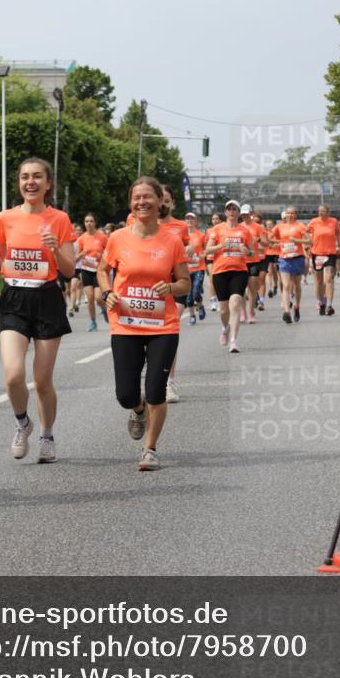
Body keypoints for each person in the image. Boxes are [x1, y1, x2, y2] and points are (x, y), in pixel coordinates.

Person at [97, 177, 190, 472]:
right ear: (130, 203)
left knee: (155, 391)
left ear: (160, 201)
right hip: (126, 325)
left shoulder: (172, 240)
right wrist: (108, 293)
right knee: (126, 394)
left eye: (148, 197)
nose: (142, 202)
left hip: (163, 325)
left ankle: (150, 449)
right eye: (137, 197)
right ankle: (138, 411)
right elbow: (102, 271)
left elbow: (185, 283)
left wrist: (170, 289)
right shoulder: (118, 238)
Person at [0, 157, 76, 465]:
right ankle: (22, 423)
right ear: (19, 182)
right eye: (25, 177)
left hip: (47, 298)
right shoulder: (5, 218)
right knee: (13, 375)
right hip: (14, 298)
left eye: (37, 177)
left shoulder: (60, 219)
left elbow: (68, 269)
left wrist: (55, 248)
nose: (31, 182)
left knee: (42, 380)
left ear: (47, 183)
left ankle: (47, 434)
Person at [205, 200, 253, 353]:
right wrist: (221, 246)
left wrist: (246, 251)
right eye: (229, 209)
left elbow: (252, 252)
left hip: (239, 271)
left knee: (236, 303)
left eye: (234, 209)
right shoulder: (217, 229)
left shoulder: (244, 231)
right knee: (224, 310)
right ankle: (225, 328)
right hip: (220, 272)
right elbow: (207, 251)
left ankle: (233, 341)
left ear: (239, 213)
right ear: (225, 213)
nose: (232, 212)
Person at [157, 185, 191, 402]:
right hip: (150, 287)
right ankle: (155, 373)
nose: (163, 204)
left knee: (170, 329)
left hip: (175, 285)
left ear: (172, 203)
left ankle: (169, 383)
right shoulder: (136, 222)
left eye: (167, 200)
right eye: (160, 199)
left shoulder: (180, 227)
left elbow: (184, 255)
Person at [269, 206, 310, 323]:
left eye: (292, 213)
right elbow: (269, 238)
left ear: (295, 215)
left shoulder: (300, 226)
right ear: (284, 215)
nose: (290, 215)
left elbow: (309, 241)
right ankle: (287, 312)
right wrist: (280, 242)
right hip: (284, 258)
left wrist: (297, 241)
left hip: (297, 258)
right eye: (288, 213)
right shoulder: (279, 227)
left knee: (297, 285)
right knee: (286, 286)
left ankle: (297, 307)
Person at [307, 204, 340, 316]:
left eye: (323, 211)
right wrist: (307, 246)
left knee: (329, 279)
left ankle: (329, 305)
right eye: (319, 211)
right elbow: (306, 233)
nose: (320, 213)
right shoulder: (313, 222)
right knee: (318, 282)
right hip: (316, 254)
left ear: (328, 212)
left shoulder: (334, 222)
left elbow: (338, 235)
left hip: (330, 253)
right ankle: (321, 301)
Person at [76, 214, 108, 331]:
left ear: (95, 223)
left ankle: (104, 309)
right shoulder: (82, 238)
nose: (88, 223)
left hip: (98, 271)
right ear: (84, 223)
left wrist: (102, 255)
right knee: (90, 298)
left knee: (98, 298)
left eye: (91, 221)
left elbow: (109, 252)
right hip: (86, 270)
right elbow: (76, 258)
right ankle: (93, 322)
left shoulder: (102, 237)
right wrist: (82, 254)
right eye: (86, 221)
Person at [183, 211, 206, 324]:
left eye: (192, 219)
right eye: (187, 219)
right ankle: (192, 316)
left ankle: (200, 306)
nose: (190, 221)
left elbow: (207, 250)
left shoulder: (201, 235)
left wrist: (201, 256)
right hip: (186, 269)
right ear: (184, 221)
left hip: (198, 268)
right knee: (188, 296)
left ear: (196, 221)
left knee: (196, 292)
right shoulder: (180, 236)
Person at [68, 222, 84, 317]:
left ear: (82, 231)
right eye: (76, 230)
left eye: (80, 230)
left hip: (83, 267)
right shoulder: (72, 241)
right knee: (72, 287)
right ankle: (71, 306)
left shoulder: (84, 240)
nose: (78, 232)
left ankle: (77, 302)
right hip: (74, 266)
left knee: (78, 285)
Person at [206, 211, 221, 311]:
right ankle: (213, 301)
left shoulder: (223, 230)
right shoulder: (208, 230)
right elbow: (204, 244)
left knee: (219, 280)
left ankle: (221, 300)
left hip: (220, 258)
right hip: (210, 258)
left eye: (217, 219)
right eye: (213, 219)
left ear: (220, 220)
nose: (215, 221)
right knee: (212, 278)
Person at [264, 219, 280, 298]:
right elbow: (263, 243)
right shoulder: (265, 233)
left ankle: (275, 285)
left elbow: (281, 241)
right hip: (268, 253)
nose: (269, 226)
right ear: (266, 226)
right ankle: (270, 289)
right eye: (268, 224)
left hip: (276, 253)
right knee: (269, 272)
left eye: (271, 224)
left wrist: (276, 244)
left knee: (275, 272)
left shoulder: (276, 233)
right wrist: (268, 245)